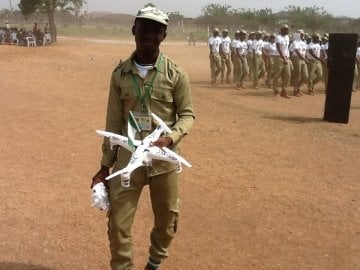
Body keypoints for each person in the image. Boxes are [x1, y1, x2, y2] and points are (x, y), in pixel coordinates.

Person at [91, 6, 195, 270]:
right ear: (134, 30)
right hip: (128, 159)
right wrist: (104, 166)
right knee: (117, 223)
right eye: (143, 27)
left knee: (167, 221)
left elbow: (187, 115)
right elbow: (113, 122)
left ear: (164, 35)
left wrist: (171, 138)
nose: (148, 34)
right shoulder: (120, 75)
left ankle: (153, 264)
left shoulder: (176, 74)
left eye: (155, 30)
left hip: (163, 159)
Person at [273, 24, 291, 98]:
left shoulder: (287, 37)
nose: (288, 30)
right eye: (286, 29)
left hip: (286, 57)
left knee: (288, 75)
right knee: (277, 75)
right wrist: (283, 58)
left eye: (288, 29)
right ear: (282, 30)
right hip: (279, 57)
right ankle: (275, 90)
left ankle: (284, 90)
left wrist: (287, 58)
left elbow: (287, 48)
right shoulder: (278, 37)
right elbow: (278, 48)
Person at [290, 29, 308, 96]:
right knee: (297, 75)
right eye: (301, 34)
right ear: (298, 35)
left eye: (303, 34)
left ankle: (297, 88)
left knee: (305, 76)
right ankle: (295, 90)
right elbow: (297, 51)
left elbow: (305, 52)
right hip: (297, 58)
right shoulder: (295, 42)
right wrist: (304, 58)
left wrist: (305, 58)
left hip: (303, 59)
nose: (302, 35)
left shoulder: (303, 42)